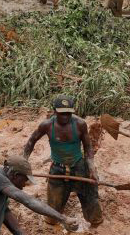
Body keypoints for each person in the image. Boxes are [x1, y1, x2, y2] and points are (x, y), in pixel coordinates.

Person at [23, 95, 103, 227]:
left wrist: (91, 167)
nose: (65, 117)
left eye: (68, 113)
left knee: (91, 203)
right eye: (62, 114)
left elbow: (88, 147)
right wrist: (24, 162)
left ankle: (95, 224)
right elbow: (31, 141)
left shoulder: (80, 124)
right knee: (52, 215)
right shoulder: (47, 125)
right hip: (58, 168)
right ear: (54, 111)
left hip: (79, 167)